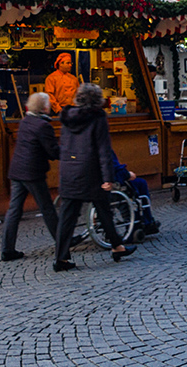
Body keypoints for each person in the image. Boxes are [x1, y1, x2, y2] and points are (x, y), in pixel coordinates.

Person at [54, 83, 135, 271]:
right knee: (104, 210)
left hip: (69, 170)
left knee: (67, 217)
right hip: (91, 171)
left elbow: (65, 145)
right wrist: (108, 178)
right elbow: (103, 149)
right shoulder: (97, 117)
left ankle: (61, 258)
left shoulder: (67, 116)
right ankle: (117, 246)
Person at [1, 93, 60, 262]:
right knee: (47, 208)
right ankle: (62, 241)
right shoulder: (43, 126)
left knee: (14, 210)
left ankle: (7, 249)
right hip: (32, 172)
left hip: (17, 170)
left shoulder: (25, 121)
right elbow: (53, 151)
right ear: (45, 108)